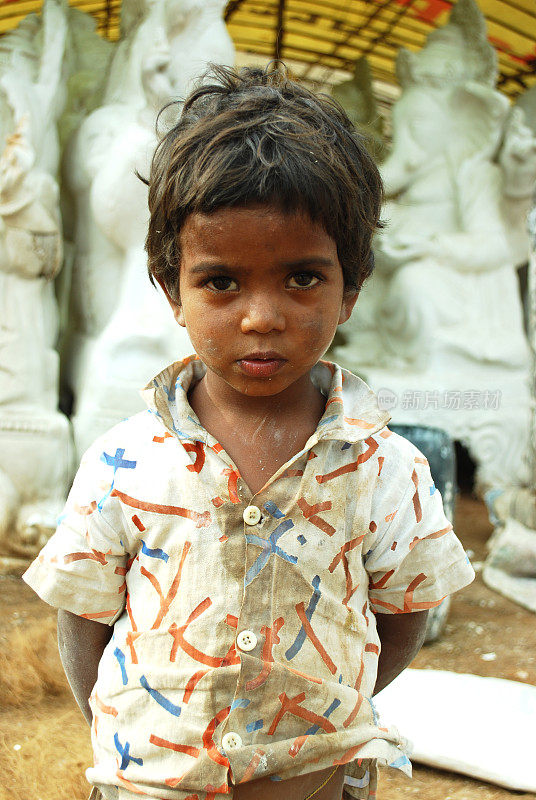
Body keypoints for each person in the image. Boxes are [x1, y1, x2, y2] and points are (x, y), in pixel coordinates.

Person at [23, 65, 474, 800]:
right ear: (172, 291)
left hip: (315, 781)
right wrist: (125, 738)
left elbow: (405, 612)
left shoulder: (385, 467)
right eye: (222, 282)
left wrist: (325, 716)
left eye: (302, 278)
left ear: (351, 287)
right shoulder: (123, 460)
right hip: (151, 783)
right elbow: (85, 613)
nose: (261, 316)